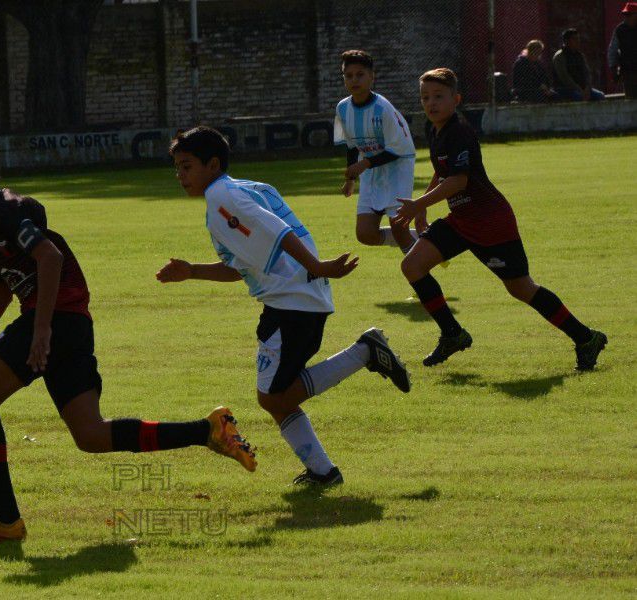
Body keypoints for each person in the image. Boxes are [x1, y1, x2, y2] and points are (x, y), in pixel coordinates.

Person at [0, 127, 257, 544]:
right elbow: (2, 287)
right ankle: (210, 430)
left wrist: (42, 330)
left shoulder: (9, 210)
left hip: (56, 319)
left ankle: (6, 520)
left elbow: (49, 258)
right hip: (67, 323)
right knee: (91, 435)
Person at [157, 126, 410, 487]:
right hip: (296, 298)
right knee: (276, 398)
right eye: (177, 168)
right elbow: (244, 266)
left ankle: (365, 353)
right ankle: (324, 472)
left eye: (186, 167)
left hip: (292, 303)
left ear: (212, 164)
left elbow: (277, 231)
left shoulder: (222, 197)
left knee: (273, 397)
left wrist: (318, 266)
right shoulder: (246, 188)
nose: (179, 176)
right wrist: (192, 271)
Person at [395, 68, 607, 371]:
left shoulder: (460, 131)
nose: (431, 103)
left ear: (456, 99)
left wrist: (418, 204)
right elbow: (443, 172)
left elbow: (458, 181)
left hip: (491, 222)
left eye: (439, 96)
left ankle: (586, 338)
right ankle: (452, 334)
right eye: (425, 97)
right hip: (462, 219)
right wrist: (423, 207)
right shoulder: (435, 130)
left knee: (521, 288)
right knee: (412, 266)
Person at [334, 50, 418, 255]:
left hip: (397, 168)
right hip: (372, 170)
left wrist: (363, 165)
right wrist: (351, 179)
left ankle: (419, 265)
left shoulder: (383, 108)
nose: (354, 79)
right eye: (349, 75)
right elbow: (352, 144)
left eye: (360, 74)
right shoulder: (343, 108)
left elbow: (399, 149)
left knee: (399, 227)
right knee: (365, 234)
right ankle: (422, 240)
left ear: (372, 76)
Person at [552, 29, 605, 101]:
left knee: (600, 96)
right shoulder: (560, 56)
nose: (578, 41)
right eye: (574, 39)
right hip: (565, 89)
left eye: (578, 38)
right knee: (578, 97)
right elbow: (564, 77)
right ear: (566, 41)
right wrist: (579, 89)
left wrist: (587, 88)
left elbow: (587, 73)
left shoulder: (579, 55)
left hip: (583, 88)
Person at [608, 2, 637, 98]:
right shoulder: (620, 30)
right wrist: (613, 68)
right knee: (631, 100)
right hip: (629, 72)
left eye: (629, 15)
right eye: (625, 15)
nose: (626, 17)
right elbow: (613, 50)